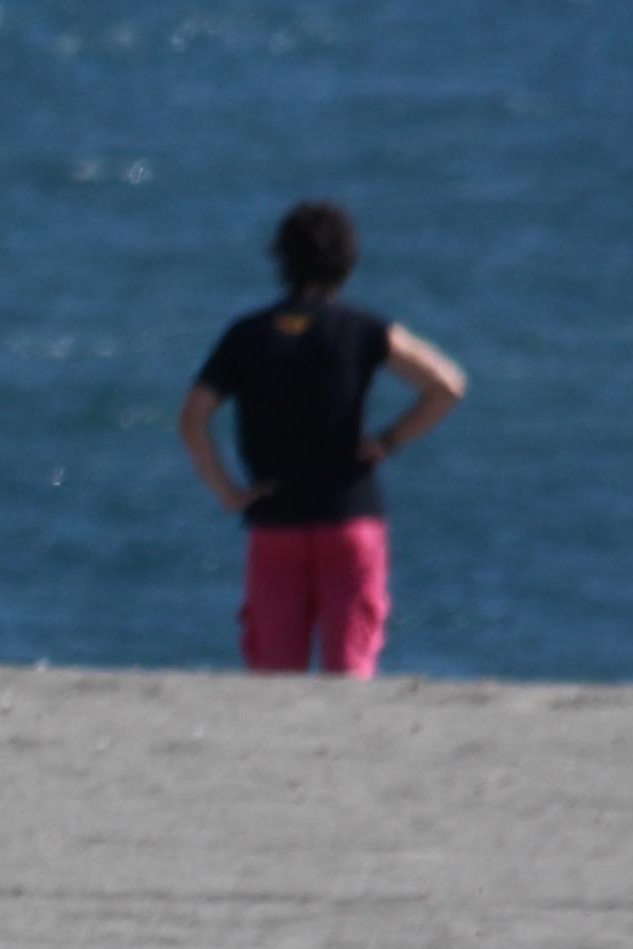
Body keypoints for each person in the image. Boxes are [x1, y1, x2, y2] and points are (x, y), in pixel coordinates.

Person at [178, 201, 465, 679]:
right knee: (349, 675)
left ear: (282, 260)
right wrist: (387, 440)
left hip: (275, 519)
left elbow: (193, 418)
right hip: (349, 518)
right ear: (347, 262)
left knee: (273, 677)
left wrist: (228, 491)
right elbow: (447, 385)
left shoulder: (247, 334)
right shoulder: (363, 329)